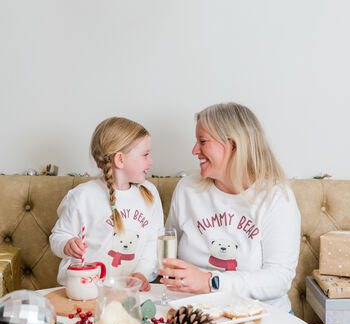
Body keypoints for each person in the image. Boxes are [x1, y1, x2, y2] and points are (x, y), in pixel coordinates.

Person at [158, 102, 301, 312]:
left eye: (203, 141)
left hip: (262, 313)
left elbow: (279, 278)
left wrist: (210, 282)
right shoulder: (187, 189)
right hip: (194, 313)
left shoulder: (277, 198)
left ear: (234, 145)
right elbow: (168, 255)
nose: (195, 150)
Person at [50, 117, 163, 292]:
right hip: (86, 290)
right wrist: (66, 244)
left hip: (128, 292)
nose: (151, 161)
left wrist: (141, 274)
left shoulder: (149, 194)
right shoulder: (83, 196)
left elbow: (152, 244)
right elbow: (58, 236)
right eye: (145, 154)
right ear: (120, 160)